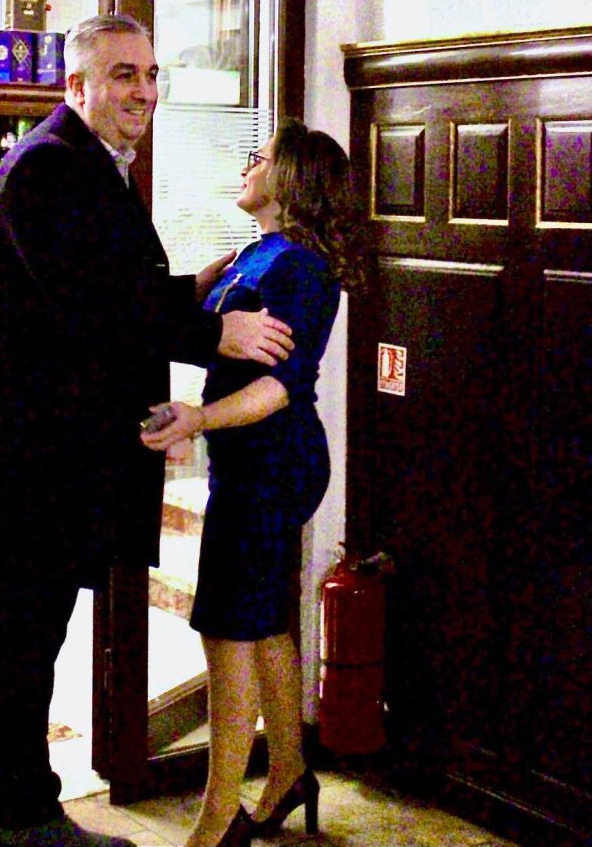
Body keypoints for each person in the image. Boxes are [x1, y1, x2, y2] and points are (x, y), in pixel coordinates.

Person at [0, 13, 295, 847]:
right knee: (4, 653)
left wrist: (197, 286)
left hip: (39, 468)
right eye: (124, 74)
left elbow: (117, 284)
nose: (144, 91)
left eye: (152, 74)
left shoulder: (90, 164)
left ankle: (26, 812)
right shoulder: (50, 164)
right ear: (76, 85)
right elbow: (91, 305)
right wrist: (215, 332)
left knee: (25, 650)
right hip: (9, 469)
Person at [141, 118, 366, 847]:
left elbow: (277, 386)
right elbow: (207, 334)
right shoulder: (254, 252)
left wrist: (198, 418)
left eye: (258, 158)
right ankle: (289, 772)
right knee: (263, 622)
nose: (246, 167)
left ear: (290, 178)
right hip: (249, 460)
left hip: (273, 462)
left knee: (226, 631)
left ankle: (217, 820)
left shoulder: (299, 266)